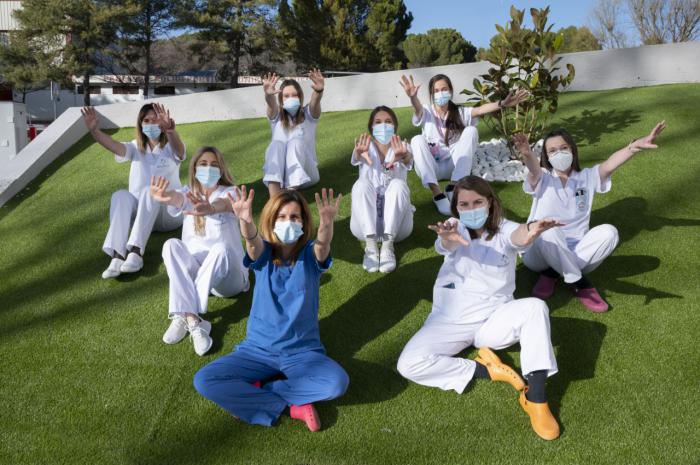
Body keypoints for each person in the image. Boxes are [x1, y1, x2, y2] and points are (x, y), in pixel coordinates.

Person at [397, 175, 563, 440]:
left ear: (490, 203)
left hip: (492, 319)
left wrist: (530, 229)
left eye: (478, 202)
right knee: (408, 364)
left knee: (535, 308)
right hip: (448, 320)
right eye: (464, 204)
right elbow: (446, 242)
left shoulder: (505, 228)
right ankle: (490, 371)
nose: (471, 209)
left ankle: (537, 398)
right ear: (457, 208)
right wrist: (449, 237)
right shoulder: (453, 226)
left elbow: (519, 237)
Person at [193, 187, 349, 432]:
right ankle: (290, 406)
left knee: (336, 383)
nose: (289, 222)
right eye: (282, 216)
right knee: (204, 380)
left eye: (295, 217)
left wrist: (327, 222)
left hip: (302, 352)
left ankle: (263, 391)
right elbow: (252, 242)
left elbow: (323, 245)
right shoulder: (264, 253)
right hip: (257, 350)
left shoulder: (310, 255)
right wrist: (245, 221)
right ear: (272, 220)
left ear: (304, 222)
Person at [512, 121, 666, 312]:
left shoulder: (587, 177)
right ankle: (581, 283)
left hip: (577, 250)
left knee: (610, 232)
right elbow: (534, 169)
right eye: (552, 151)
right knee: (549, 232)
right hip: (538, 253)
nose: (558, 153)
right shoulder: (543, 176)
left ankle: (552, 272)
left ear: (573, 150)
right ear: (547, 157)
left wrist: (633, 147)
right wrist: (527, 153)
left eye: (563, 148)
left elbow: (610, 164)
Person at [149, 147, 249, 356]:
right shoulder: (188, 194)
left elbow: (225, 204)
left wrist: (210, 209)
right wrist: (165, 196)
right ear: (194, 169)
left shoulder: (231, 192)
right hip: (200, 273)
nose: (208, 168)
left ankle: (183, 310)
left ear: (221, 170)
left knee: (220, 249)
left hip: (229, 279)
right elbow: (178, 198)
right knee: (170, 245)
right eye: (203, 164)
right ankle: (193, 319)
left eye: (214, 164)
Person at [81, 103, 185, 279]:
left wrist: (171, 131)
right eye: (146, 120)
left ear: (162, 123)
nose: (151, 124)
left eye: (155, 120)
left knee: (150, 190)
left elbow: (180, 151)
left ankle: (136, 252)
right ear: (140, 124)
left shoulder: (170, 147)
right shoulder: (135, 147)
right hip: (141, 216)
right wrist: (95, 131)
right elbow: (113, 145)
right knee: (120, 195)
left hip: (168, 215)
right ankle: (118, 255)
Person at [399, 74, 528, 215]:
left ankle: (454, 186)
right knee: (417, 139)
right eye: (436, 91)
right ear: (431, 94)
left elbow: (480, 109)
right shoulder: (427, 112)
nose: (440, 93)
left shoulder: (459, 112)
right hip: (430, 168)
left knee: (471, 130)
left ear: (450, 91)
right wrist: (413, 97)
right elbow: (418, 109)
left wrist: (502, 104)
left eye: (444, 89)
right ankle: (436, 193)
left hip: (454, 167)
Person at [350, 105, 414, 273]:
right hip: (364, 227)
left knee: (398, 185)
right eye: (378, 122)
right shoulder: (364, 146)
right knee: (361, 184)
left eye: (388, 122)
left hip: (398, 227)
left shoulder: (403, 146)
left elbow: (406, 162)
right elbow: (357, 158)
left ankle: (387, 247)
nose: (383, 126)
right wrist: (358, 154)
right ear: (372, 126)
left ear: (394, 126)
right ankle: (370, 247)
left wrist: (403, 156)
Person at [261, 70, 325, 197]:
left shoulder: (308, 115)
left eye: (294, 95)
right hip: (279, 175)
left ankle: (290, 195)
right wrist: (268, 95)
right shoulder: (277, 116)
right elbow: (271, 104)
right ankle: (274, 199)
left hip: (307, 175)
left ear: (300, 97)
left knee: (295, 142)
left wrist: (318, 91)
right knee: (276, 145)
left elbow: (315, 102)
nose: (291, 98)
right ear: (281, 98)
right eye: (286, 96)